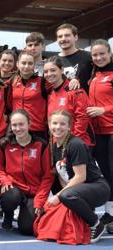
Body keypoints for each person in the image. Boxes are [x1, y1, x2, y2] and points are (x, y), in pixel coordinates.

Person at [47, 110, 110, 243]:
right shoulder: (55, 146)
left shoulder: (76, 144)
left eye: (62, 124)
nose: (58, 127)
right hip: (81, 190)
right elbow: (62, 176)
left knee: (65, 196)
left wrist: (58, 196)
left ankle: (96, 224)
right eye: (55, 123)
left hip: (97, 188)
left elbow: (80, 177)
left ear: (69, 126)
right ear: (49, 124)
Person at [0, 109, 53, 235]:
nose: (18, 128)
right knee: (10, 196)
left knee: (27, 229)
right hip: (14, 188)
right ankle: (8, 216)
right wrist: (5, 180)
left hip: (33, 192)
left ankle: (26, 212)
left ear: (29, 124)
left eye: (21, 124)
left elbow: (48, 176)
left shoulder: (41, 145)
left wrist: (39, 200)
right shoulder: (4, 144)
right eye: (14, 125)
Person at [87, 39, 113, 232]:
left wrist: (104, 109)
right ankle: (110, 213)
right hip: (98, 134)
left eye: (102, 54)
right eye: (95, 55)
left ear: (110, 54)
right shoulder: (94, 76)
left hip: (112, 130)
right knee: (105, 174)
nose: (98, 57)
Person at [44, 56, 93, 146]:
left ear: (62, 70)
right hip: (57, 144)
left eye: (53, 70)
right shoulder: (50, 92)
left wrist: (73, 142)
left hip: (77, 144)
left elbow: (82, 118)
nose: (49, 74)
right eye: (46, 71)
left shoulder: (75, 90)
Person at [8, 51, 49, 140]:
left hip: (37, 129)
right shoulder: (12, 81)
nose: (26, 66)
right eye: (23, 63)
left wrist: (72, 80)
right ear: (18, 64)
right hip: (17, 129)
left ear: (34, 65)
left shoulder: (42, 81)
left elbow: (59, 84)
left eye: (30, 63)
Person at [55, 23, 92, 92]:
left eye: (67, 35)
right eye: (60, 36)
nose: (63, 39)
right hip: (60, 101)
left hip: (83, 101)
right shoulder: (53, 61)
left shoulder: (89, 57)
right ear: (57, 40)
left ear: (76, 37)